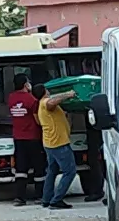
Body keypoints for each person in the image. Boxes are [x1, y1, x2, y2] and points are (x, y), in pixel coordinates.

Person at [7, 74, 46, 206]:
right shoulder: (31, 99)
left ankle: (19, 198)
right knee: (38, 168)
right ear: (25, 84)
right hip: (33, 138)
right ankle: (39, 196)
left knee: (20, 169)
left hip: (18, 138)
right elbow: (37, 119)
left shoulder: (11, 98)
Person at [38, 86, 78, 210]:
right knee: (70, 172)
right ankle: (56, 200)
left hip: (50, 143)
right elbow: (52, 102)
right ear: (44, 92)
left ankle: (46, 199)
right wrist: (68, 94)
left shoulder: (41, 104)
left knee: (52, 171)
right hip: (58, 143)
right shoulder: (45, 102)